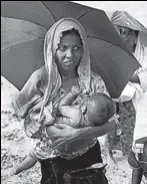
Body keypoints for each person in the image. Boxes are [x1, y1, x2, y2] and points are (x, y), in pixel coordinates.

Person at [12, 18, 118, 184]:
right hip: (52, 160)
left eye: (77, 48)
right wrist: (28, 125)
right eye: (63, 48)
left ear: (83, 49)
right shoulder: (40, 80)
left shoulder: (91, 80)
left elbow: (113, 123)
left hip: (88, 157)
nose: (70, 55)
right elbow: (24, 109)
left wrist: (78, 133)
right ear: (52, 48)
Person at [13, 86, 116, 175]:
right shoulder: (95, 128)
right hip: (74, 151)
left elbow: (61, 106)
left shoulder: (76, 114)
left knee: (34, 155)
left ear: (84, 108)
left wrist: (71, 95)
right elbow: (112, 122)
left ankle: (19, 168)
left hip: (52, 141)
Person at [107, 10, 147, 182]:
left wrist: (130, 77)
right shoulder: (113, 53)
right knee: (110, 119)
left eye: (131, 32)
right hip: (119, 93)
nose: (127, 36)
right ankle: (109, 152)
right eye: (122, 31)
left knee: (138, 142)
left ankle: (136, 160)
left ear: (137, 35)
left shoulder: (144, 54)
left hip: (139, 99)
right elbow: (109, 75)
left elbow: (144, 77)